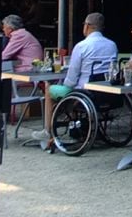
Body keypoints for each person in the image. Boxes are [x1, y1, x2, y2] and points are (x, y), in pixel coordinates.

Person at [31, 12, 117, 140]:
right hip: (106, 91)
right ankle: (77, 126)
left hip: (84, 92)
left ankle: (47, 131)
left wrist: (63, 85)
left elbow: (71, 79)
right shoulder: (112, 45)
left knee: (50, 90)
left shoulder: (82, 46)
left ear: (87, 26)